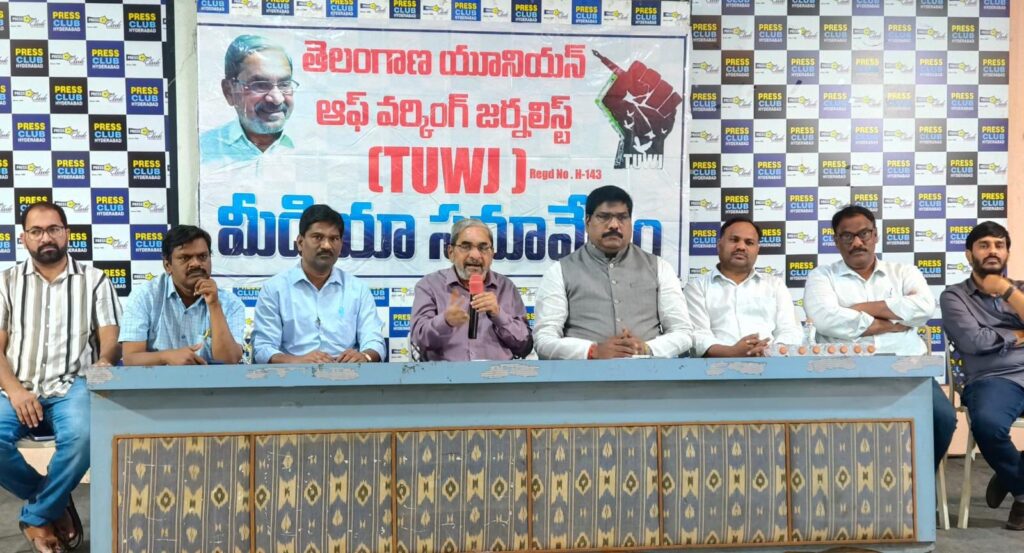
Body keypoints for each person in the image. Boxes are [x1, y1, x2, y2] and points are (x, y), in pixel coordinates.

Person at [0, 202, 121, 552]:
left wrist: (106, 360)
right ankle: (53, 501)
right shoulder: (6, 282)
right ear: (23, 238)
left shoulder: (94, 281)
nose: (46, 238)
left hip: (72, 386)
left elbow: (111, 340)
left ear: (67, 233)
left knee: (85, 436)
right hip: (17, 388)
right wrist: (16, 391)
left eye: (53, 229)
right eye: (36, 231)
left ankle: (38, 515)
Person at [804, 205, 956, 473]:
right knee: (821, 423)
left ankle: (919, 482)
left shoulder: (904, 272)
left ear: (875, 235)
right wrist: (890, 323)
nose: (857, 242)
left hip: (907, 372)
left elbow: (924, 307)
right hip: (843, 374)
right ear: (836, 241)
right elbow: (826, 318)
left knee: (942, 417)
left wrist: (858, 309)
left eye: (863, 233)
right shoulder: (822, 276)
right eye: (847, 236)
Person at [534, 185, 692, 359]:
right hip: (583, 375)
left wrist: (645, 349)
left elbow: (683, 332)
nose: (614, 225)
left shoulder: (659, 268)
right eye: (604, 217)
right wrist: (592, 351)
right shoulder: (560, 271)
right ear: (587, 222)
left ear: (630, 222)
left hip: (649, 373)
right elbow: (544, 340)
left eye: (622, 217)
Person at [940, 221, 1024, 530]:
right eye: (984, 245)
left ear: (1007, 253)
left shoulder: (1020, 289)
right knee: (988, 425)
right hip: (993, 378)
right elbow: (974, 342)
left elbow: (987, 337)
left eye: (999, 245)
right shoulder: (954, 296)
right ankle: (1022, 492)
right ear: (969, 254)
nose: (992, 251)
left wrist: (1007, 290)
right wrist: (1017, 334)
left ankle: (1012, 472)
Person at [253, 204, 385, 364]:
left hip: (347, 374)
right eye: (318, 237)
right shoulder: (275, 289)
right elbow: (263, 348)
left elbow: (375, 341)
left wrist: (365, 356)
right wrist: (297, 362)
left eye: (334, 239)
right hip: (292, 375)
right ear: (300, 242)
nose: (326, 245)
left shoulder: (358, 289)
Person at [119, 225, 245, 365]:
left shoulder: (231, 303)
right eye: (185, 258)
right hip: (157, 378)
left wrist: (214, 305)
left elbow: (229, 360)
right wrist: (166, 357)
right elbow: (131, 359)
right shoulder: (144, 296)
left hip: (211, 379)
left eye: (202, 256)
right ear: (168, 265)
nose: (196, 263)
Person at [410, 219, 532, 361]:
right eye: (466, 247)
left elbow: (525, 346)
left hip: (497, 373)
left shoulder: (506, 287)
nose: (475, 255)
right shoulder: (429, 285)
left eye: (483, 247)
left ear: (492, 254)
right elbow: (418, 340)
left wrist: (499, 315)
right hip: (445, 374)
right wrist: (445, 321)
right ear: (451, 252)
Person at [685, 216, 802, 357]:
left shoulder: (775, 285)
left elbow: (790, 330)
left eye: (749, 242)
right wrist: (732, 352)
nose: (741, 247)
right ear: (719, 245)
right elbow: (698, 336)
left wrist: (769, 351)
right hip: (715, 366)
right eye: (734, 240)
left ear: (757, 249)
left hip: (772, 364)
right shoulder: (697, 287)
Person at [199, 34, 297, 164]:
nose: (277, 99)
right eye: (260, 85)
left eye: (284, 84)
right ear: (229, 91)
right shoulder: (202, 149)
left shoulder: (312, 147)